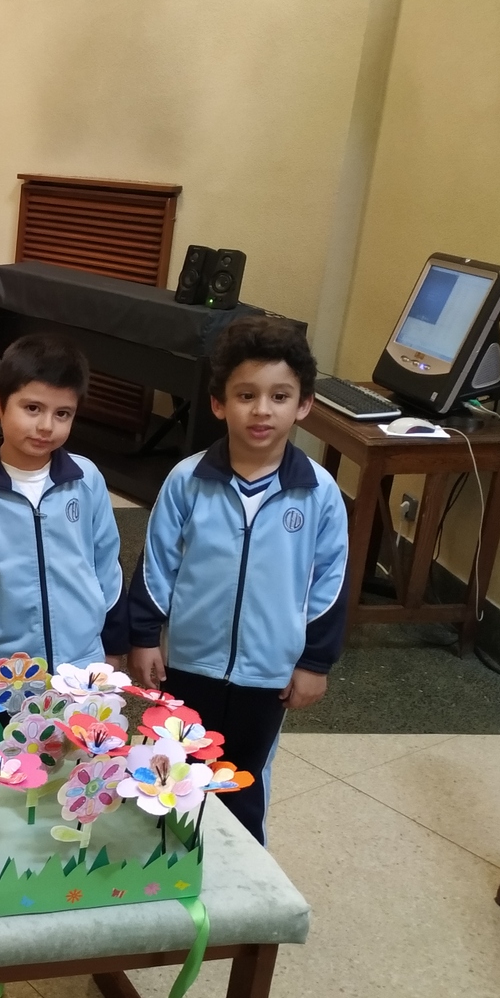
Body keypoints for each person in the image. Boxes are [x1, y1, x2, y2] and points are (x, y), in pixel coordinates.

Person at [128, 315, 348, 845]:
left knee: (243, 780)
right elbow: (156, 564)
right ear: (219, 403)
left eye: (279, 396)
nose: (261, 410)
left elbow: (330, 584)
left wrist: (314, 663)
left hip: (268, 673)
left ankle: (241, 872)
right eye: (246, 395)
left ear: (304, 404)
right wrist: (144, 637)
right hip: (188, 663)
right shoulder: (187, 481)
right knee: (174, 773)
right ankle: (166, 863)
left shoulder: (318, 492)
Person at [0, 334, 127, 697]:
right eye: (33, 408)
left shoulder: (86, 480)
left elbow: (108, 565)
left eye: (62, 413)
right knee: (9, 737)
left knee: (83, 736)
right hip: (7, 668)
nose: (46, 426)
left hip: (83, 661)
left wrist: (115, 644)